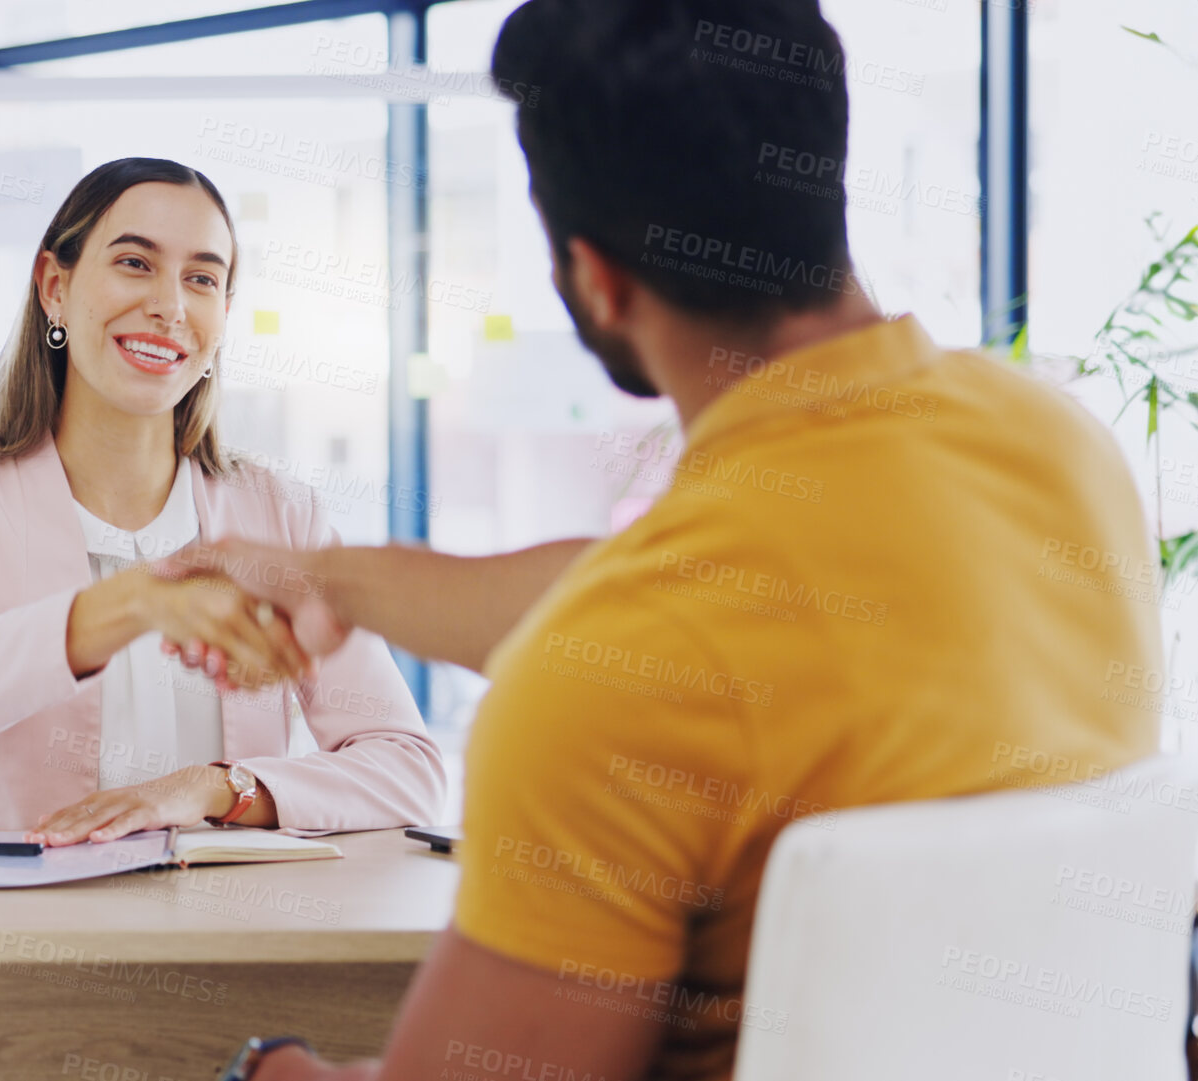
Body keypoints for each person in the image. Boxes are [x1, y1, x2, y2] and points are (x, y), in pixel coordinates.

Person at [167, 1, 1161, 1077]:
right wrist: (329, 581)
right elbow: (680, 616)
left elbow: (641, 640)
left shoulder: (617, 683)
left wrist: (268, 1065)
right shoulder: (1056, 445)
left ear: (591, 278)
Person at [0, 157, 445, 845]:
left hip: (224, 929)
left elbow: (406, 766)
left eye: (201, 279)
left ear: (223, 314)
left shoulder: (281, 515)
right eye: (135, 263)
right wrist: (138, 599)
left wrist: (214, 788)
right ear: (54, 286)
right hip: (15, 927)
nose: (171, 307)